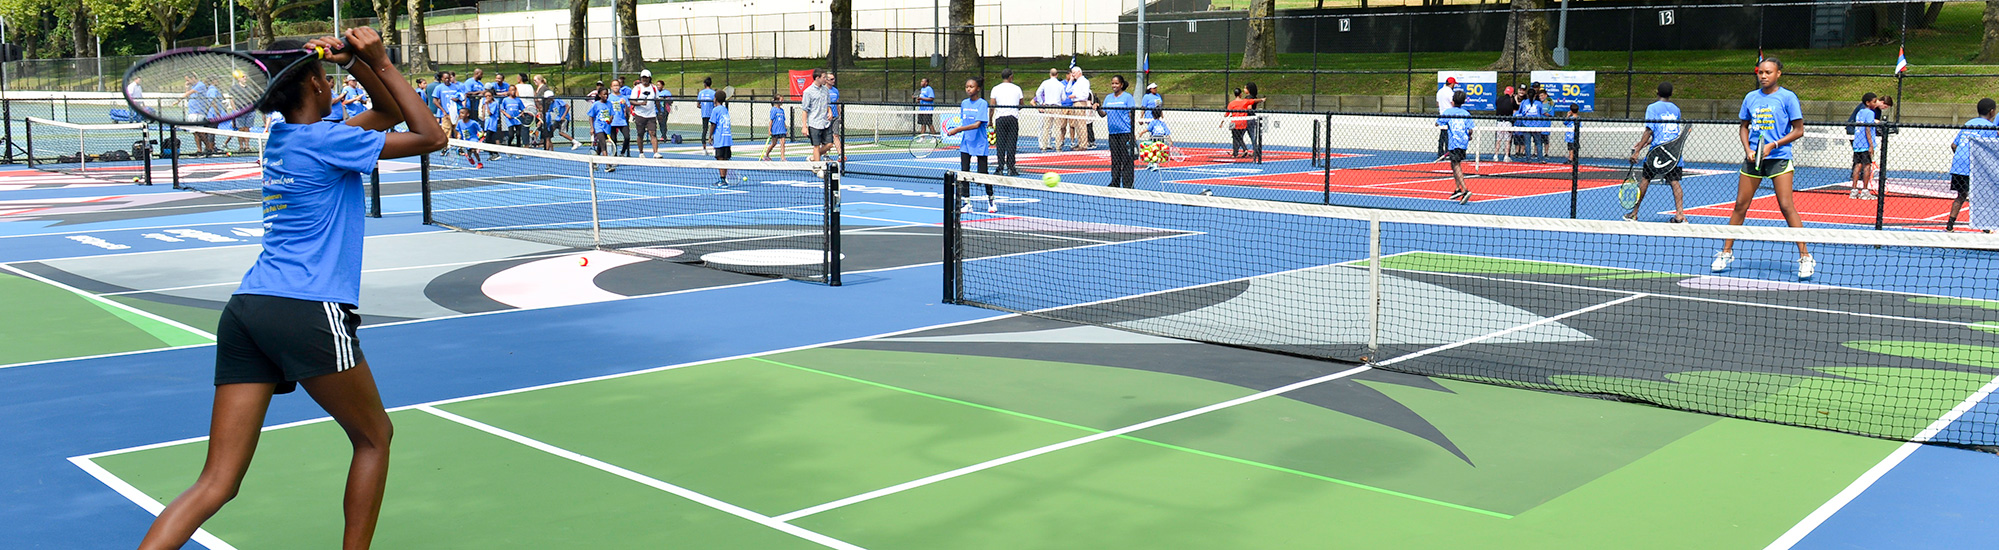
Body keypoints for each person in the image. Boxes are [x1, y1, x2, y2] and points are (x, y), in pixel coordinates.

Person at [135, 27, 444, 550]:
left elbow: (388, 115)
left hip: (248, 310)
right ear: (316, 89)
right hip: (308, 309)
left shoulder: (287, 140)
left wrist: (351, 64)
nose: (332, 86)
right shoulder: (331, 140)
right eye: (325, 78)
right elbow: (429, 136)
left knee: (217, 482)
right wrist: (379, 61)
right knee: (374, 438)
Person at [1714, 58, 1813, 279]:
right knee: (1740, 204)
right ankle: (1726, 252)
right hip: (1753, 159)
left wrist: (1773, 145)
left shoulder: (1788, 97)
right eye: (1760, 72)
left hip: (1779, 158)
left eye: (1768, 72)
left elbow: (1799, 130)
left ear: (1778, 74)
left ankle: (1805, 257)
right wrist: (1748, 148)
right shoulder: (1750, 98)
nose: (1763, 76)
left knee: (1787, 206)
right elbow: (1744, 127)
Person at [1626, 82, 1688, 223]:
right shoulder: (1676, 109)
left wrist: (1638, 150)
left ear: (1657, 92)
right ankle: (1680, 214)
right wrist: (1645, 143)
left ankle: (1634, 213)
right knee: (1675, 182)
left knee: (1645, 180)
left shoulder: (1652, 108)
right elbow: (1668, 130)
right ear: (1671, 94)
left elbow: (1649, 130)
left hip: (1657, 152)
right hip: (1673, 152)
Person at [1944, 98, 1998, 232]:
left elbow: (1954, 145)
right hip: (1973, 167)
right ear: (1992, 112)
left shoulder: (1969, 123)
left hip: (1958, 165)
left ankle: (1950, 224)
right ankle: (1985, 226)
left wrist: (1961, 157)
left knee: (1961, 195)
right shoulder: (1990, 127)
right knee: (1984, 195)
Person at [945, 77, 996, 213]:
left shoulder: (982, 104)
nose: (968, 89)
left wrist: (958, 129)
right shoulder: (964, 103)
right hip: (966, 143)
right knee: (964, 173)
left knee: (984, 173)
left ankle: (991, 201)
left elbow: (977, 124)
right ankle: (967, 202)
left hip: (980, 143)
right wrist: (958, 131)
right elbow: (965, 121)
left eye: (971, 87)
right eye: (967, 86)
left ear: (978, 88)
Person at [1098, 75, 1139, 189]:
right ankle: (1115, 183)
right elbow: (1103, 114)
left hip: (1125, 132)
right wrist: (1097, 107)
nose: (1114, 86)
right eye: (1112, 83)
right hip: (1113, 133)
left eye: (1116, 83)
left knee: (1126, 160)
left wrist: (1132, 133)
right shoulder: (1108, 98)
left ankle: (1128, 184)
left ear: (1121, 85)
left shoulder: (1127, 97)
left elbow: (1132, 115)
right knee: (1115, 160)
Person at [1848, 93, 1884, 200]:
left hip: (1857, 142)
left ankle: (1854, 190)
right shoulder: (1870, 113)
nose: (1875, 103)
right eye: (1874, 101)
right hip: (1865, 143)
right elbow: (1868, 129)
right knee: (1867, 165)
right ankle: (1864, 190)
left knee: (1857, 165)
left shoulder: (1860, 112)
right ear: (1868, 103)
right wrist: (1871, 145)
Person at [1440, 91, 1474, 204]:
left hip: (1455, 142)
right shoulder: (1466, 113)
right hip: (1463, 143)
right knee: (1453, 163)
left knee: (1456, 164)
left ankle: (1465, 189)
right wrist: (1469, 136)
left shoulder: (1448, 112)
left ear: (1453, 101)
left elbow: (1438, 122)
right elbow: (1470, 130)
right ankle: (1457, 189)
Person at [990, 68, 1023, 176]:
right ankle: (1010, 167)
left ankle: (1000, 167)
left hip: (1000, 118)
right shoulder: (1017, 88)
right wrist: (1015, 109)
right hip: (1013, 117)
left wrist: (990, 119)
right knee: (1011, 143)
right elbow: (1021, 104)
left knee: (1001, 144)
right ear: (1010, 77)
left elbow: (992, 105)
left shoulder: (995, 89)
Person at [803, 69, 837, 162]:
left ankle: (813, 158)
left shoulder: (825, 90)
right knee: (816, 146)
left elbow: (828, 104)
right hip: (814, 122)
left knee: (829, 144)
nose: (825, 79)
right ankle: (817, 166)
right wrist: (804, 126)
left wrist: (829, 111)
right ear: (817, 78)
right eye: (823, 77)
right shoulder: (808, 92)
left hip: (825, 122)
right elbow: (805, 109)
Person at [1223, 87, 1264, 159]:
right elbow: (1253, 101)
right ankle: (1240, 151)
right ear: (1241, 94)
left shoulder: (1231, 103)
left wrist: (1222, 120)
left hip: (1235, 122)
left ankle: (1240, 151)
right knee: (1239, 137)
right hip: (1243, 122)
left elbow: (1227, 114)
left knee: (1236, 137)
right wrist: (1261, 100)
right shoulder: (1244, 101)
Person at [1140, 82, 1172, 171]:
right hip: (1150, 118)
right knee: (1152, 137)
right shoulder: (1146, 97)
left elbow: (1160, 106)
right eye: (1154, 88)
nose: (1155, 89)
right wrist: (1141, 118)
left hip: (1157, 118)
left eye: (1156, 88)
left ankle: (1152, 160)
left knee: (1153, 140)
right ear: (1150, 89)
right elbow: (1143, 107)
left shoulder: (1158, 96)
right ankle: (1152, 160)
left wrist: (1162, 116)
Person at [630, 70, 662, 158]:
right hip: (640, 115)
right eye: (643, 77)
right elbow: (632, 101)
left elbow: (657, 101)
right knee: (640, 134)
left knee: (653, 133)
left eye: (646, 77)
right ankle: (641, 152)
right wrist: (640, 103)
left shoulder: (654, 88)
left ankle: (655, 153)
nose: (644, 79)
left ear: (649, 78)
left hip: (651, 115)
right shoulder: (637, 88)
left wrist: (659, 112)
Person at [708, 89, 735, 188]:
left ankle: (722, 179)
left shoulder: (715, 110)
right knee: (725, 159)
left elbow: (713, 124)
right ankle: (723, 179)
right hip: (727, 138)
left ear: (715, 99)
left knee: (720, 159)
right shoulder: (724, 109)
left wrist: (710, 136)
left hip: (720, 139)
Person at [1034, 68, 1066, 152]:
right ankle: (1058, 146)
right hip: (1057, 106)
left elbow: (1038, 93)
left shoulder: (1045, 83)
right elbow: (1064, 97)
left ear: (1050, 74)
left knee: (1046, 127)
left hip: (1048, 106)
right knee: (1057, 127)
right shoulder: (1060, 85)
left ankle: (1044, 145)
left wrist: (1042, 102)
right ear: (1057, 74)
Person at [1064, 67, 1093, 150]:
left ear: (1079, 72)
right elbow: (1068, 89)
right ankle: (1080, 142)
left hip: (1080, 102)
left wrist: (1075, 96)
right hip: (1075, 103)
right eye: (1072, 73)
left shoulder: (1084, 81)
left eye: (1074, 73)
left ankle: (1083, 144)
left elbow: (1085, 95)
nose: (1072, 75)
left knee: (1081, 124)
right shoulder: (1076, 82)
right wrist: (1071, 80)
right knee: (1077, 124)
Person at [587, 89, 614, 165]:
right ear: (599, 95)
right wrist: (592, 128)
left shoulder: (609, 104)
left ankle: (594, 161)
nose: (606, 96)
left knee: (600, 145)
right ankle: (608, 165)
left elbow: (612, 114)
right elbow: (591, 117)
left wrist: (610, 119)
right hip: (598, 127)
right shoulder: (596, 104)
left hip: (607, 128)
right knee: (603, 144)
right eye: (604, 94)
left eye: (607, 94)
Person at [607, 77, 631, 156]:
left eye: (617, 85)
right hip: (612, 121)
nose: (616, 87)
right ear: (611, 87)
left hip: (622, 120)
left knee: (627, 137)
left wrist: (625, 104)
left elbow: (628, 109)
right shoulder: (609, 97)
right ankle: (615, 154)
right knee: (613, 140)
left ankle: (623, 152)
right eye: (614, 86)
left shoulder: (623, 97)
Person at [762, 95, 789, 161]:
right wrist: (769, 130)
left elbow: (783, 120)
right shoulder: (773, 110)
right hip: (775, 130)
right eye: (781, 100)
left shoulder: (782, 110)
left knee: (783, 143)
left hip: (782, 130)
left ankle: (783, 158)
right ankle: (766, 155)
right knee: (774, 143)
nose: (782, 101)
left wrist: (785, 129)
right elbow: (771, 121)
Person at [1494, 85, 1517, 162]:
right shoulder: (1512, 100)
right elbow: (1516, 107)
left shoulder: (1499, 99)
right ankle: (1506, 156)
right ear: (1512, 93)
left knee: (1498, 139)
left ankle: (1496, 155)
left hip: (1500, 121)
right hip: (1508, 121)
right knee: (1507, 140)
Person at [1436, 77, 1458, 159]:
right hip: (1450, 115)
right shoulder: (1450, 92)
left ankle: (1440, 152)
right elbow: (1453, 103)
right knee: (1449, 135)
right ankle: (1447, 152)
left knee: (1443, 134)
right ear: (1452, 84)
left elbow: (1437, 104)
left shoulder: (1440, 91)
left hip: (1442, 115)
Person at [697, 77, 717, 153]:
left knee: (704, 130)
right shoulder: (713, 93)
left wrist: (703, 107)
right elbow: (715, 104)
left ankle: (704, 149)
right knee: (714, 130)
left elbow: (698, 105)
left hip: (704, 114)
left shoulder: (701, 93)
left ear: (704, 84)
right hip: (712, 114)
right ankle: (715, 147)